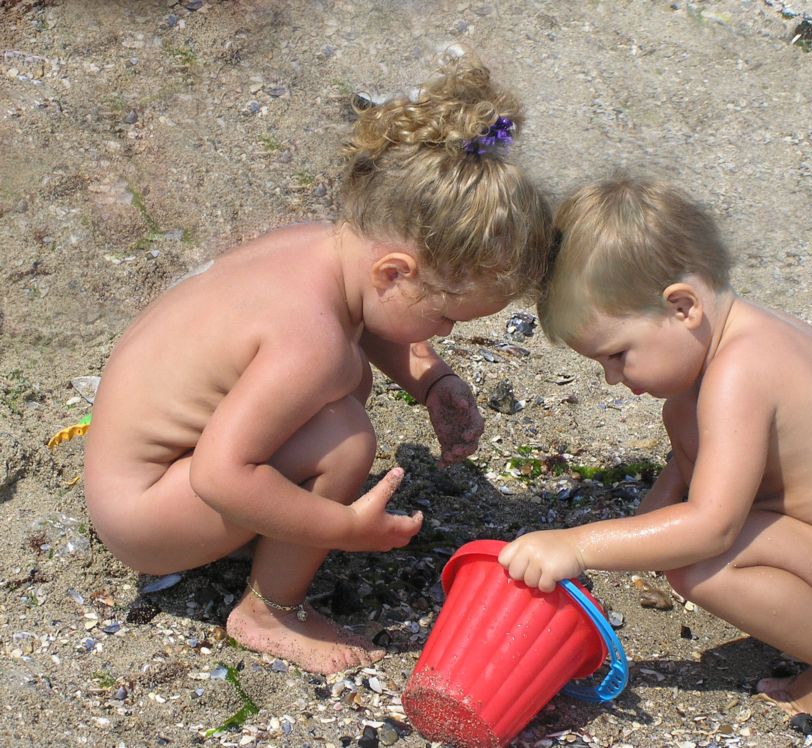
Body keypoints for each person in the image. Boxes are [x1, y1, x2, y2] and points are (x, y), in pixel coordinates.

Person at [83, 49, 551, 675]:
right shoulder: (311, 343)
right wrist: (340, 526)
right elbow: (219, 478)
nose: (444, 333)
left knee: (344, 379)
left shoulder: (320, 249)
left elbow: (377, 316)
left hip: (124, 470)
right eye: (446, 319)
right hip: (144, 521)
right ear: (396, 272)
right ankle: (270, 609)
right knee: (344, 438)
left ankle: (269, 536)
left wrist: (429, 376)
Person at [497, 174, 812, 720]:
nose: (610, 378)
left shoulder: (741, 372)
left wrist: (579, 545)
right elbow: (689, 458)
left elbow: (711, 527)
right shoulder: (737, 339)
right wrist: (628, 539)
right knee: (681, 416)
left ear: (682, 307)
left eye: (617, 355)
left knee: (701, 566)